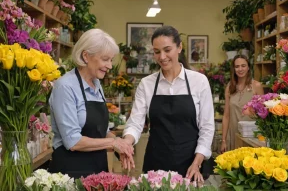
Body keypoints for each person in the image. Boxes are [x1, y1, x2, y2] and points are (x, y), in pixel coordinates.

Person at [122, 25, 215, 182]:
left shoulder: (199, 81)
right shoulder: (147, 84)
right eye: (157, 52)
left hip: (190, 164)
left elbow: (207, 127)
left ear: (179, 47)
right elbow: (136, 123)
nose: (162, 57)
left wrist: (197, 162)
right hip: (156, 163)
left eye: (167, 50)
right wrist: (126, 143)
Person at [48, 29, 134, 179]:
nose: (109, 65)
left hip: (98, 170)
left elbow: (101, 131)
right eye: (105, 59)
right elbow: (73, 141)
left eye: (111, 60)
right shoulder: (65, 87)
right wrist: (113, 143)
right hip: (71, 172)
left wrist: (121, 146)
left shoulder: (97, 84)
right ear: (86, 56)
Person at [220, 55, 264, 153]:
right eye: (237, 66)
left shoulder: (256, 86)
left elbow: (263, 114)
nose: (240, 69)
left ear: (248, 67)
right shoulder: (230, 87)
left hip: (251, 137)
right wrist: (223, 140)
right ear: (234, 69)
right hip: (232, 135)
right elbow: (226, 116)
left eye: (243, 66)